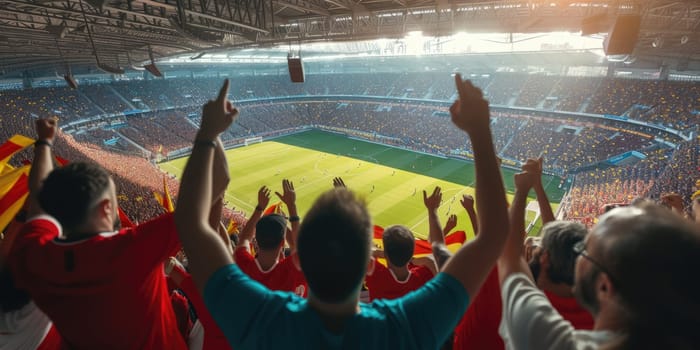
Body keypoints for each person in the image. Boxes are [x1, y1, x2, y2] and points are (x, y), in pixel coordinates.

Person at [174, 76, 510, 348]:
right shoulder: (406, 326)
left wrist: (207, 136)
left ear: (298, 259)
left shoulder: (261, 319)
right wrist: (480, 130)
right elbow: (494, 236)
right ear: (368, 266)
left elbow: (191, 225)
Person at [9, 118, 222, 349]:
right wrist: (44, 142)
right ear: (106, 208)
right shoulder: (133, 249)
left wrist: (44, 144)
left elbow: (39, 200)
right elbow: (211, 195)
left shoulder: (35, 254)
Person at [498, 171, 700, 349]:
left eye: (584, 250)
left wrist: (521, 189)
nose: (577, 256)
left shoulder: (550, 341)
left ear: (604, 287)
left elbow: (510, 255)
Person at [235, 180, 307, 296]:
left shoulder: (243, 265)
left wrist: (259, 208)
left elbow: (244, 239)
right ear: (283, 243)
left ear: (256, 240)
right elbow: (298, 247)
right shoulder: (291, 270)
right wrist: (291, 206)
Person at [365, 225, 436, 301]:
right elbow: (430, 262)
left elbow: (364, 253)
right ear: (411, 253)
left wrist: (381, 253)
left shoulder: (376, 274)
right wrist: (411, 259)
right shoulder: (423, 275)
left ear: (386, 254)